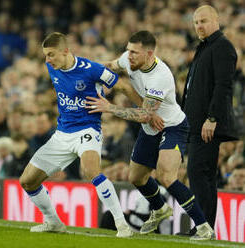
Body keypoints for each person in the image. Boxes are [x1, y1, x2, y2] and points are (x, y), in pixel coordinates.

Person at [85, 30, 214, 240]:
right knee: (136, 177)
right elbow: (111, 65)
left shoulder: (160, 76)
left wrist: (109, 108)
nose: (129, 55)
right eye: (128, 50)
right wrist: (86, 67)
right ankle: (159, 209)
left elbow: (145, 115)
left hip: (172, 126)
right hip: (150, 128)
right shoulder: (129, 60)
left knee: (167, 177)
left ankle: (203, 226)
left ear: (149, 53)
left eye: (135, 52)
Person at [18, 32, 133, 238]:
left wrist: (144, 108)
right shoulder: (51, 67)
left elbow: (122, 85)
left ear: (65, 51)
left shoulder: (92, 70)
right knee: (27, 181)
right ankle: (53, 222)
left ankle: (122, 224)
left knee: (91, 171)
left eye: (51, 54)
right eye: (46, 55)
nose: (47, 60)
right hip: (62, 134)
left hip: (87, 129)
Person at [181, 5, 238, 233]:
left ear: (217, 20)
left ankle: (203, 226)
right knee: (202, 174)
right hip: (195, 123)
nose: (199, 26)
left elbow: (224, 86)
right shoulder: (205, 47)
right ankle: (204, 227)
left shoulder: (223, 47)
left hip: (207, 124)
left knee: (198, 172)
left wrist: (212, 117)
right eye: (196, 22)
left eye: (203, 21)